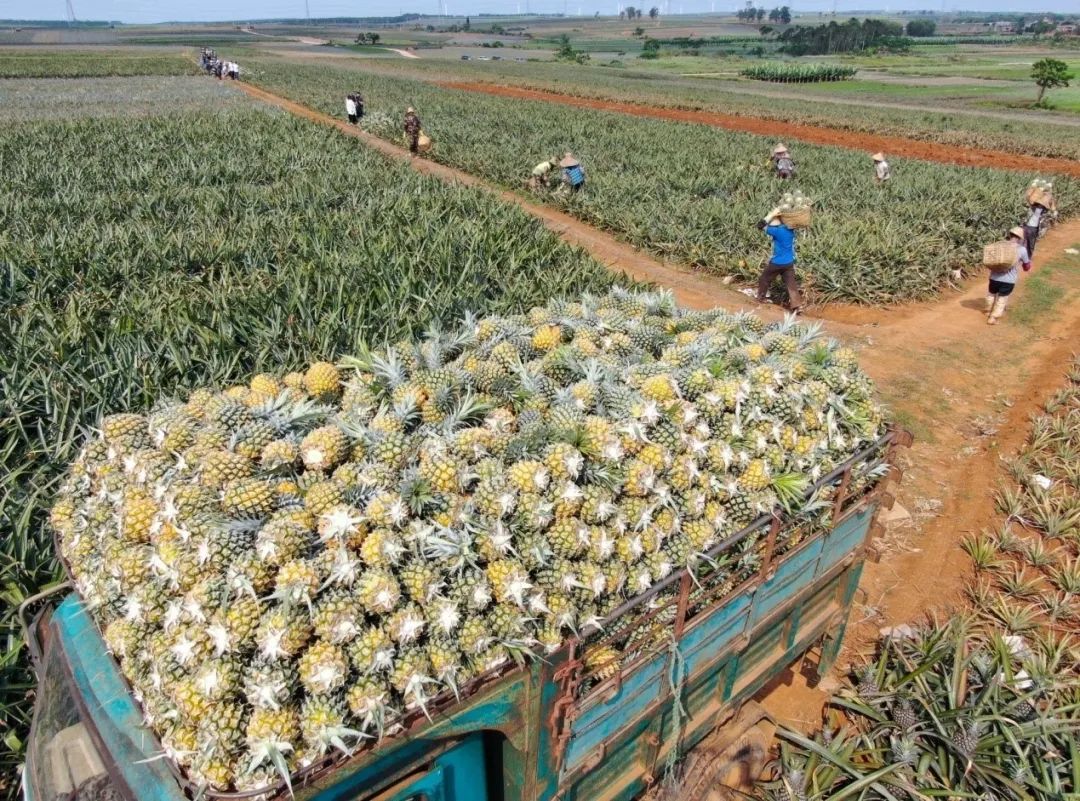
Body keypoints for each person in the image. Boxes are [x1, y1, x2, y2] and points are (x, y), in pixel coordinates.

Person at [755, 207, 802, 312]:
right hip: (789, 263)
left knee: (764, 278)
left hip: (777, 262)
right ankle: (796, 306)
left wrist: (772, 215)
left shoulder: (777, 231)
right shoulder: (791, 231)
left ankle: (760, 298)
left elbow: (760, 225)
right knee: (791, 284)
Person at [986, 227, 1031, 326]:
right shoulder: (1022, 250)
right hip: (1009, 280)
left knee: (991, 294)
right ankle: (993, 317)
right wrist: (1026, 267)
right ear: (1020, 238)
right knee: (1002, 298)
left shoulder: (999, 245)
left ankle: (988, 310)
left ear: (1010, 235)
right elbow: (1027, 266)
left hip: (994, 277)